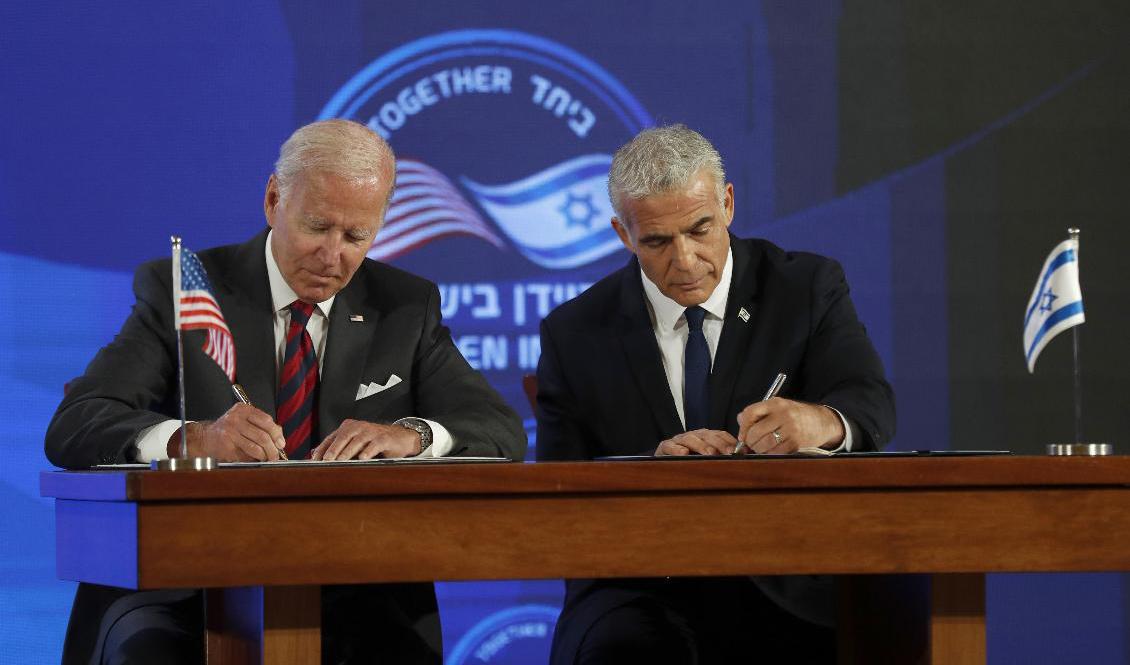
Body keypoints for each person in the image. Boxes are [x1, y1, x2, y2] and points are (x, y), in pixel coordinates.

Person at [45, 119, 526, 664]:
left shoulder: (404, 306)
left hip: (352, 586)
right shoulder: (184, 290)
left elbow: (499, 429)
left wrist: (412, 435)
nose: (332, 256)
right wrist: (190, 440)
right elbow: (77, 422)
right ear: (274, 199)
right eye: (317, 227)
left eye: (355, 237)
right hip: (184, 585)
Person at [535, 124, 895, 664]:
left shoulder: (805, 288)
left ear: (727, 205)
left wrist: (819, 421)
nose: (684, 260)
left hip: (784, 576)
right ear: (622, 234)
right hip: (638, 584)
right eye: (656, 241)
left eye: (700, 229)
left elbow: (870, 401)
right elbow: (561, 492)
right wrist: (647, 468)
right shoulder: (575, 331)